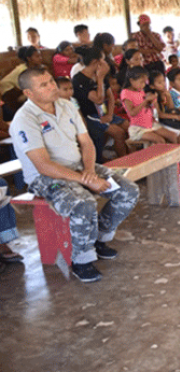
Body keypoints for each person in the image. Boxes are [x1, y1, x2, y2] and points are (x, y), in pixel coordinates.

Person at [10, 67, 139, 282]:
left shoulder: (66, 105)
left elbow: (86, 142)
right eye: (44, 85)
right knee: (83, 203)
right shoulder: (24, 119)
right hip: (46, 177)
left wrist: (89, 171)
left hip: (80, 166)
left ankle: (99, 238)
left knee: (127, 191)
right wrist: (86, 180)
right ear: (29, 93)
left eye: (51, 81)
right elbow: (43, 165)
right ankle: (82, 260)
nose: (52, 86)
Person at [71, 47, 129, 162]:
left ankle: (124, 156)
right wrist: (100, 78)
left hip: (104, 113)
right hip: (90, 115)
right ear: (95, 62)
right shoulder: (79, 80)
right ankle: (124, 162)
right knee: (119, 133)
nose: (105, 63)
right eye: (103, 60)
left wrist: (110, 115)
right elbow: (98, 99)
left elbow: (110, 97)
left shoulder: (99, 75)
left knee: (127, 126)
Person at [149, 70, 180, 174]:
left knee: (179, 133)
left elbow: (171, 108)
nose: (163, 85)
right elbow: (160, 115)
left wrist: (169, 97)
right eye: (159, 83)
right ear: (152, 86)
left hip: (166, 121)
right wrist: (177, 117)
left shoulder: (164, 94)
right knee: (174, 135)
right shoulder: (153, 97)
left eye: (163, 82)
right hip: (158, 122)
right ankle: (179, 163)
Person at [1, 46, 45, 118]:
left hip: (17, 90)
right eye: (37, 56)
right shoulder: (23, 70)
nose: (40, 58)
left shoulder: (32, 67)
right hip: (9, 92)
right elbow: (23, 89)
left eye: (40, 56)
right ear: (29, 58)